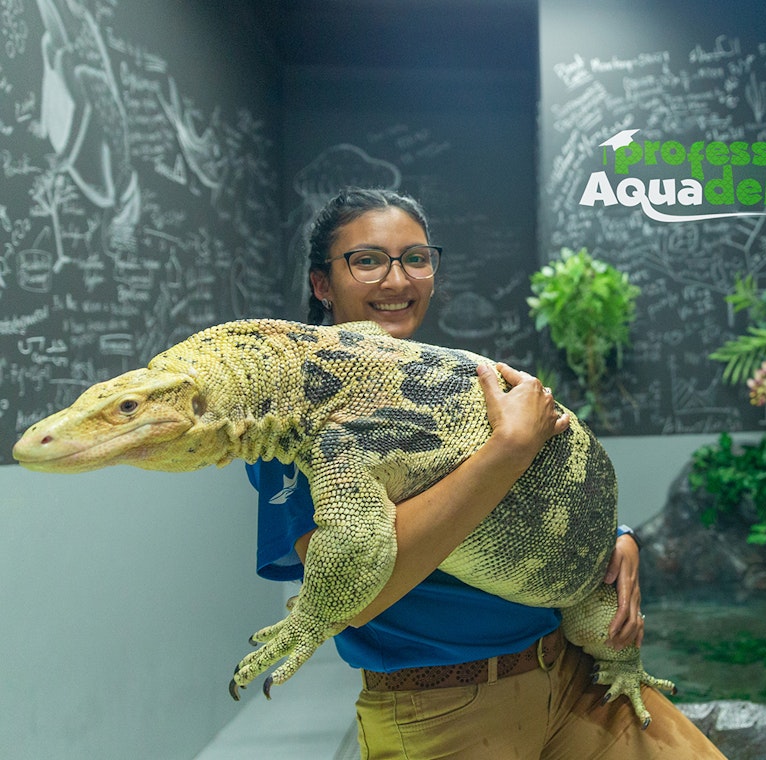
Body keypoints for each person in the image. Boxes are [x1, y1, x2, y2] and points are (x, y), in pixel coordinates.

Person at [247, 188, 726, 759]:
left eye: (416, 259)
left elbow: (535, 493)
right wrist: (505, 451)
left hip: (575, 677)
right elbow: (356, 600)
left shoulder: (446, 376)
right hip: (444, 713)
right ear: (322, 284)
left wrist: (615, 539)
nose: (398, 281)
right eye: (368, 260)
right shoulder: (293, 427)